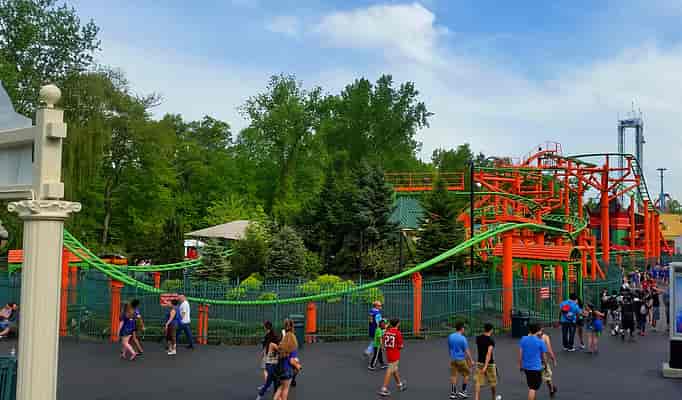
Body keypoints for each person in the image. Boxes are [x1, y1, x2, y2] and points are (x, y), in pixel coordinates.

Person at [273, 319, 301, 400]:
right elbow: (291, 360)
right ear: (293, 327)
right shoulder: (293, 341)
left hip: (280, 369)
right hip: (287, 370)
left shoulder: (283, 342)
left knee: (280, 389)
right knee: (285, 390)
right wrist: (298, 366)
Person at [378, 318, 406, 397]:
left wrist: (384, 347)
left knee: (394, 369)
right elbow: (401, 346)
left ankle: (399, 384)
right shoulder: (398, 333)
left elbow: (383, 340)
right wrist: (400, 346)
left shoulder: (387, 332)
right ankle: (384, 389)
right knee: (390, 370)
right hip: (395, 354)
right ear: (397, 324)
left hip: (388, 353)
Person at [519, 323, 547, 400]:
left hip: (526, 367)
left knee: (531, 385)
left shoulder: (523, 339)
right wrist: (545, 365)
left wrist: (521, 365)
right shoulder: (540, 342)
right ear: (538, 331)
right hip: (536, 367)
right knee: (533, 388)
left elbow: (520, 354)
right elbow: (543, 356)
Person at [256, 322, 282, 400]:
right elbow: (280, 350)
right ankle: (274, 396)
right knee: (274, 381)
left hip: (271, 364)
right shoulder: (273, 344)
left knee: (272, 382)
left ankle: (261, 395)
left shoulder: (270, 343)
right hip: (272, 364)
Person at [448, 321, 473, 399]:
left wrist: (452, 355)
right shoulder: (463, 338)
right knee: (467, 374)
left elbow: (450, 347)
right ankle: (463, 392)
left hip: (453, 359)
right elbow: (466, 351)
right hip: (461, 360)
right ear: (462, 328)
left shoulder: (450, 336)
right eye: (464, 328)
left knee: (454, 375)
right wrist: (471, 360)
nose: (464, 329)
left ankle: (453, 393)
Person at [474, 323, 497, 400]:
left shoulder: (478, 338)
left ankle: (476, 398)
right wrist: (485, 366)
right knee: (493, 382)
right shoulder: (491, 340)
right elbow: (488, 354)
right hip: (489, 364)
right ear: (491, 330)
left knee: (478, 382)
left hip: (479, 362)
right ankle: (493, 398)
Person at [536, 327, 557, 397]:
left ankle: (533, 393)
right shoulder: (545, 337)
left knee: (534, 379)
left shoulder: (530, 336)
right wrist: (553, 359)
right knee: (547, 376)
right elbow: (549, 349)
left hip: (534, 361)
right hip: (543, 360)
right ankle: (551, 389)